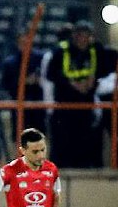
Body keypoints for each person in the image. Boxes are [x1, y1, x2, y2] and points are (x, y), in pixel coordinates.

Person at [46, 20, 115, 168]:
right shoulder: (61, 51)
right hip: (65, 106)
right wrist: (71, 83)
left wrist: (93, 80)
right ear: (74, 36)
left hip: (86, 106)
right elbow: (50, 74)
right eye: (79, 35)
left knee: (85, 142)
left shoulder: (95, 51)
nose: (83, 39)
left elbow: (107, 68)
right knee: (63, 142)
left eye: (86, 36)